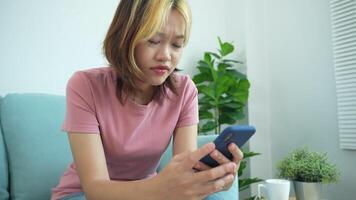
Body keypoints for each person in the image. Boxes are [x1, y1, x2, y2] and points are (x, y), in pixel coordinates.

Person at [51, 0, 243, 199]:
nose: (165, 56)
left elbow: (185, 172)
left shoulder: (184, 91)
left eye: (176, 44)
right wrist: (160, 188)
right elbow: (94, 189)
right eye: (153, 40)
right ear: (126, 36)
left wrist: (216, 177)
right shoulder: (85, 85)